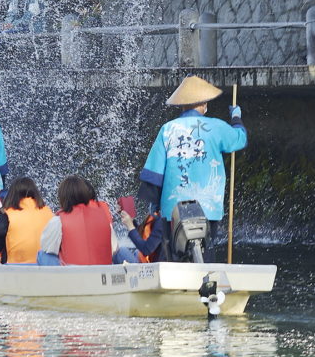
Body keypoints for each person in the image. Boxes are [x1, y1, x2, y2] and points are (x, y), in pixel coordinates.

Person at [139, 76, 246, 260]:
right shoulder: (216, 126)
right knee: (205, 249)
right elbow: (240, 138)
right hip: (208, 205)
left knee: (174, 253)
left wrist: (155, 205)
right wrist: (236, 117)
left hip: (173, 207)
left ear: (182, 105)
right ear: (204, 103)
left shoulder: (168, 129)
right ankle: (206, 283)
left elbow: (154, 174)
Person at [53, 175, 122, 265]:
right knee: (122, 251)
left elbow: (49, 248)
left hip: (73, 272)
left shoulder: (60, 219)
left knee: (43, 254)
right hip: (102, 270)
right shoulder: (101, 215)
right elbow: (115, 248)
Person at [0, 177, 55, 264]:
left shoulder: (7, 216)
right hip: (45, 268)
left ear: (11, 194)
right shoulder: (49, 213)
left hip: (17, 270)